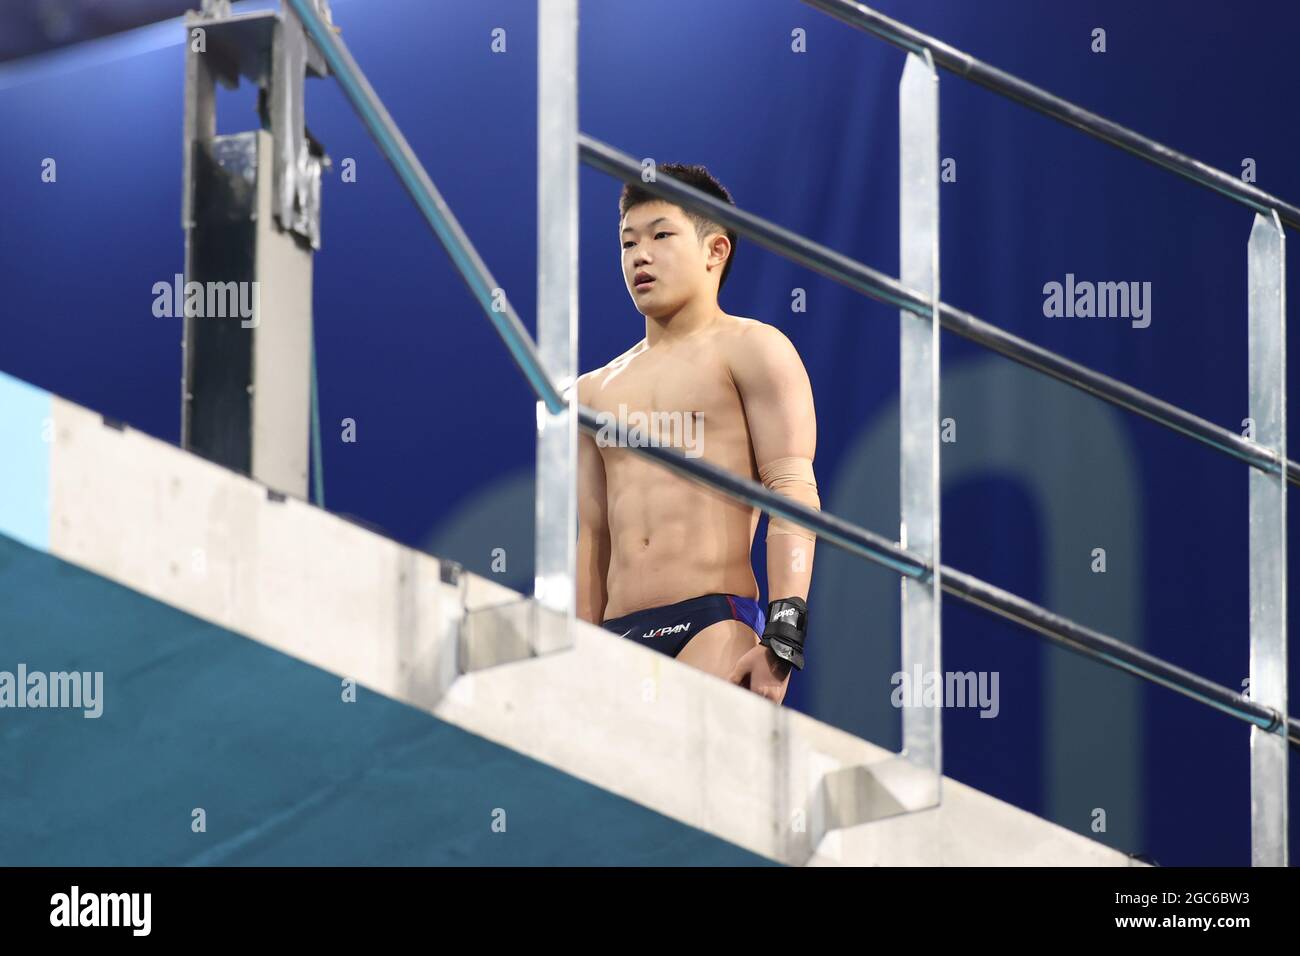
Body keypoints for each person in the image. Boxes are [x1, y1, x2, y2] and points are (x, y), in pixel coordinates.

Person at [573, 163, 820, 706]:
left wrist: (784, 633)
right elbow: (592, 538)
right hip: (615, 633)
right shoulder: (590, 392)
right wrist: (572, 649)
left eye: (661, 235)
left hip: (711, 623)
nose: (640, 255)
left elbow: (792, 490)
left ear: (715, 251)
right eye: (627, 241)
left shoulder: (752, 349)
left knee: (699, 788)